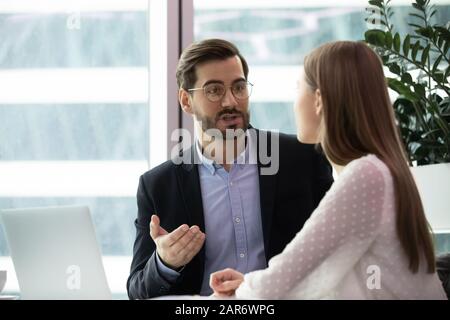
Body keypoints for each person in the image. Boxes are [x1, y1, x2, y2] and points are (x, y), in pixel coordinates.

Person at [210, 41, 447, 299]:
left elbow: (290, 270)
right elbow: (323, 274)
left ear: (319, 100)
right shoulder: (380, 170)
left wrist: (247, 289)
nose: (294, 101)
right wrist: (249, 283)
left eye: (298, 88)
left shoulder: (365, 176)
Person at [126, 39, 334, 299]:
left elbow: (338, 250)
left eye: (239, 87)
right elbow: (137, 292)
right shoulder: (158, 185)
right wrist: (165, 263)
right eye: (214, 90)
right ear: (185, 100)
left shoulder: (302, 158)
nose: (230, 101)